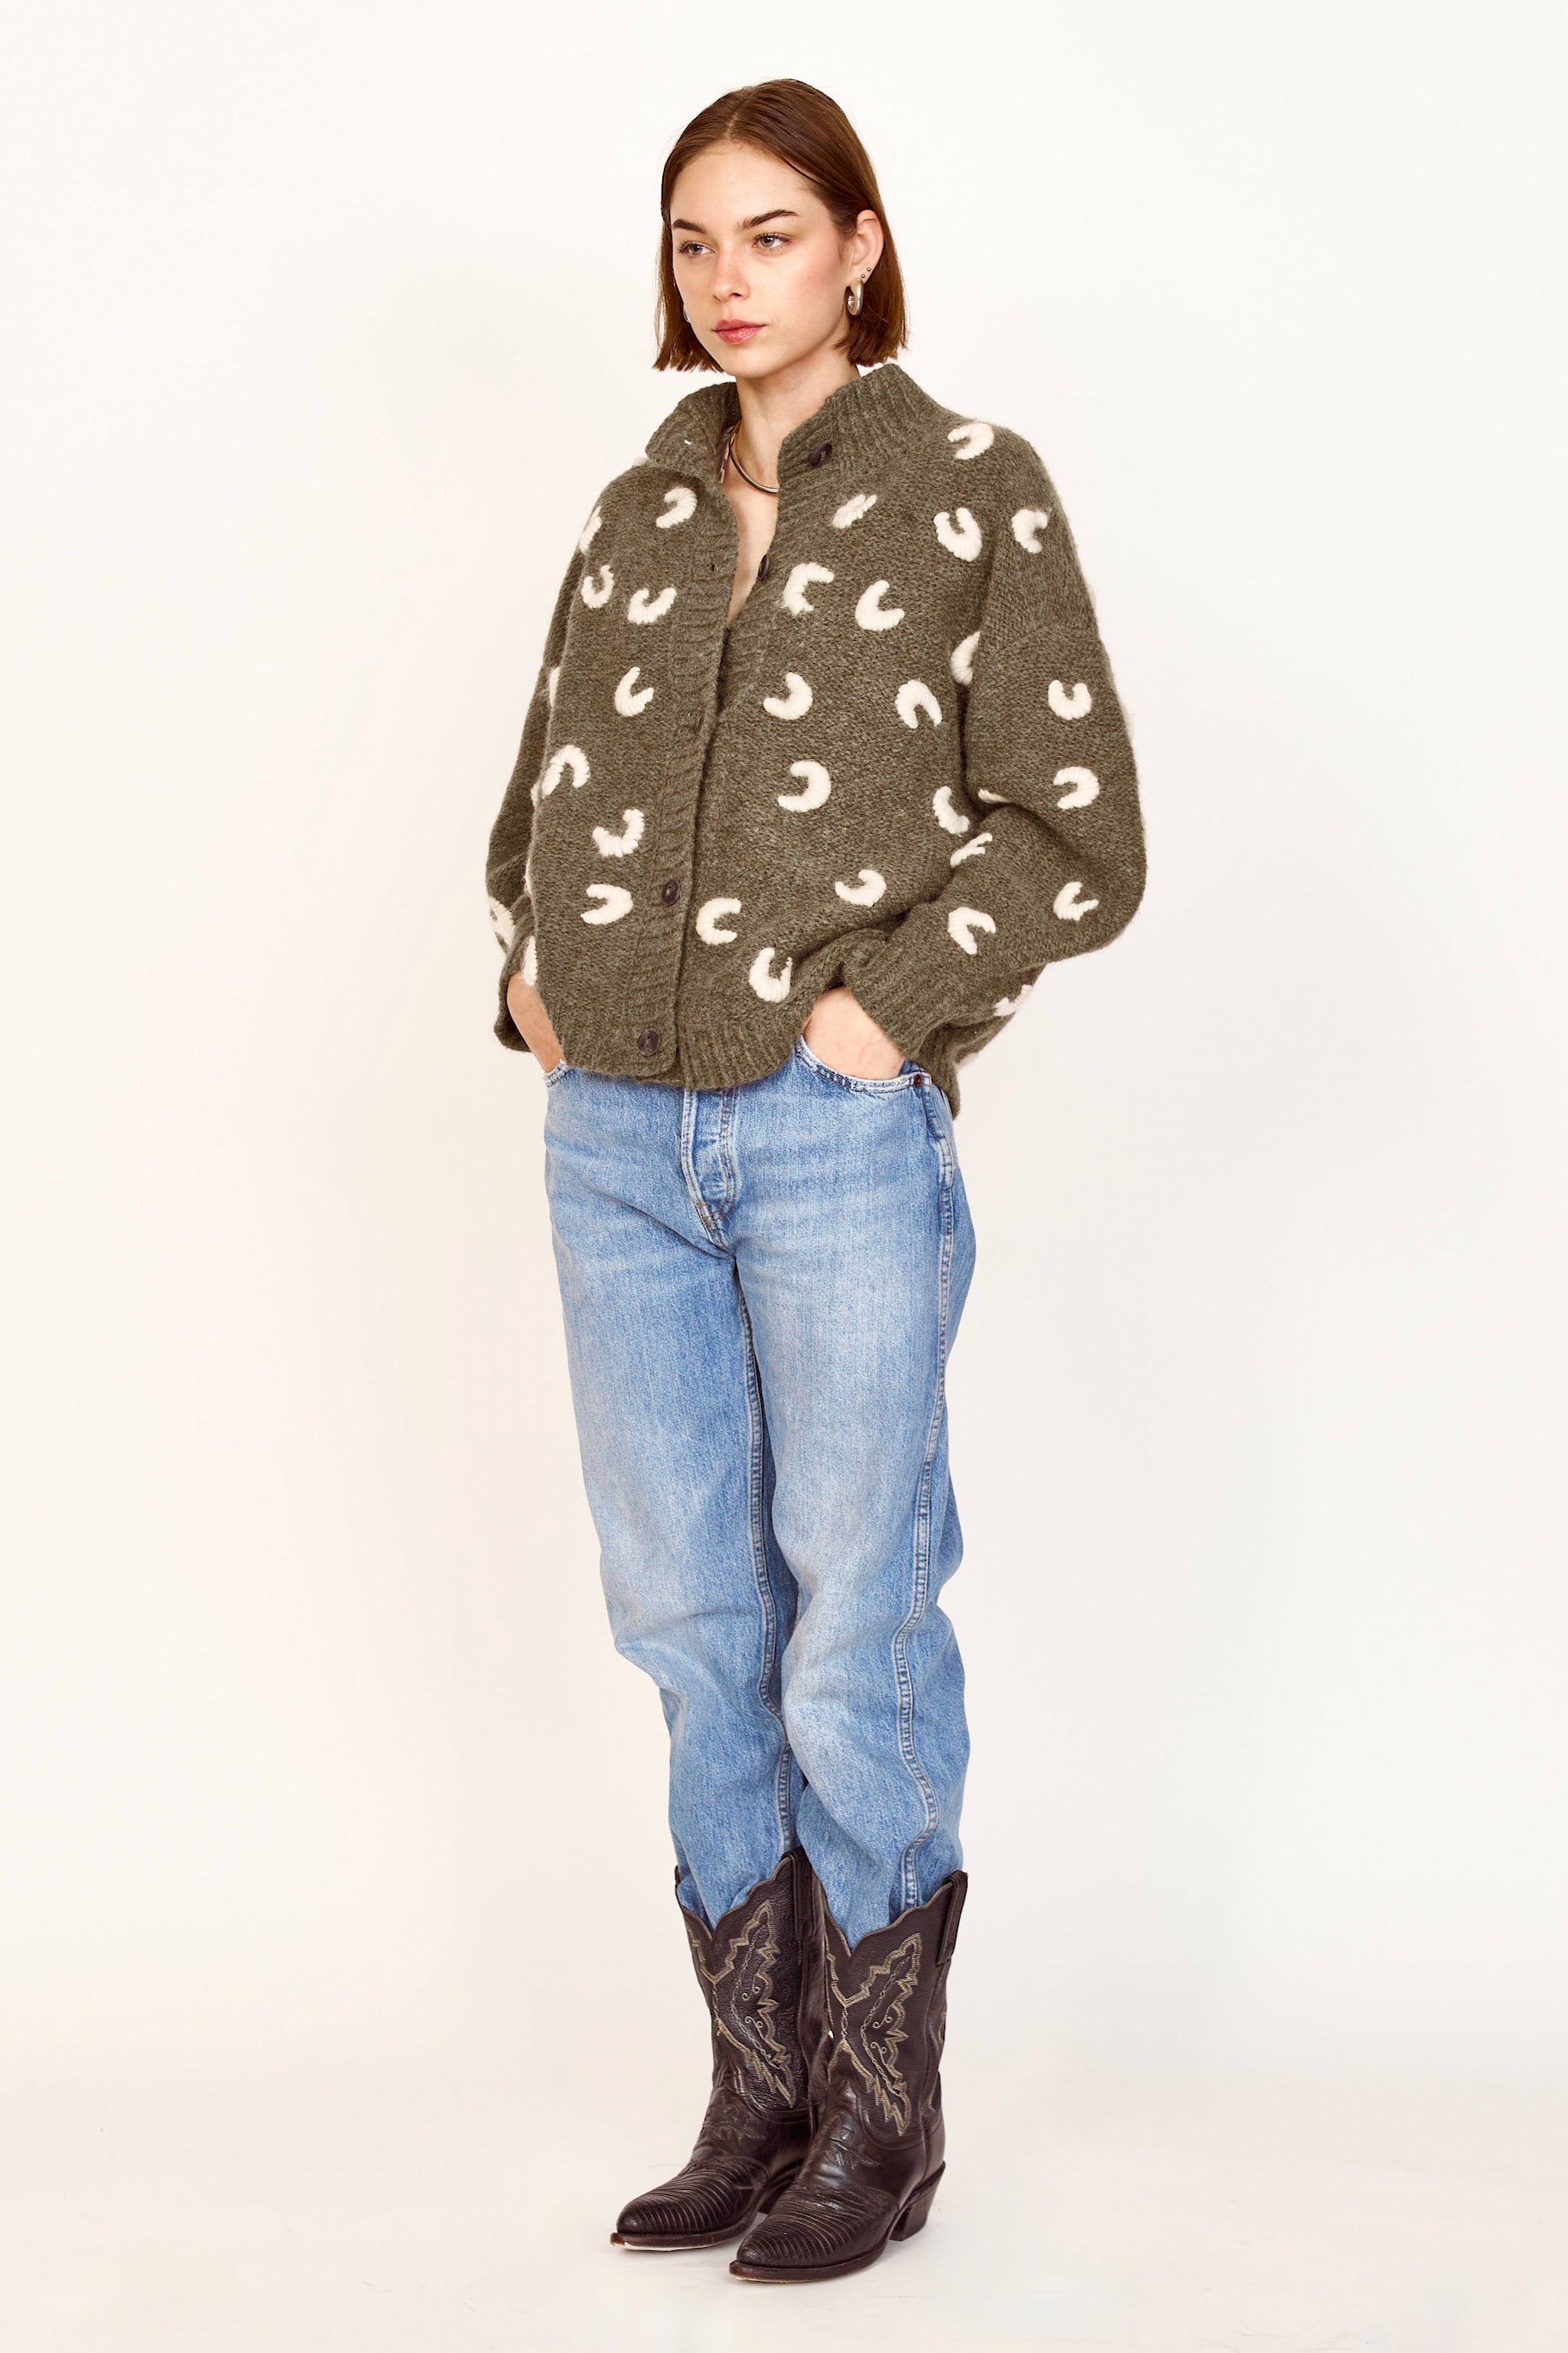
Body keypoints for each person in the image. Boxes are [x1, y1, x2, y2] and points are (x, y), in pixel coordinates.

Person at [483, 78, 1146, 2286]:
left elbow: (1078, 833)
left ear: (859, 245)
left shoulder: (974, 490)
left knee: (853, 1613)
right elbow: (541, 787)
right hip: (613, 1138)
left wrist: (889, 1009)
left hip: (831, 1131)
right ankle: (756, 2092)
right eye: (695, 241)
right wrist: (534, 975)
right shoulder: (638, 509)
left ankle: (883, 2114)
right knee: (689, 1619)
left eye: (772, 233)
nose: (728, 278)